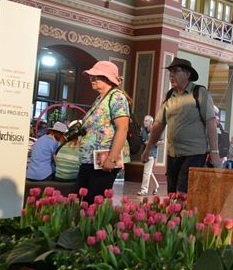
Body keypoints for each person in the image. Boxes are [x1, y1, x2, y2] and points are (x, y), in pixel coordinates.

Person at [140, 58, 221, 194]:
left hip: (194, 153)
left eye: (176, 71)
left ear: (187, 74)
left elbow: (211, 123)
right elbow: (159, 125)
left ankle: (184, 215)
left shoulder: (199, 93)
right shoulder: (169, 96)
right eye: (170, 72)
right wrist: (148, 149)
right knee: (172, 194)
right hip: (173, 153)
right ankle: (177, 215)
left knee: (182, 194)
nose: (171, 75)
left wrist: (214, 152)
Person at [76, 61, 130, 202]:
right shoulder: (100, 98)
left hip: (103, 161)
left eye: (96, 76)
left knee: (94, 203)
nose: (92, 80)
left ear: (108, 78)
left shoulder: (117, 97)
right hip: (90, 160)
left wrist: (111, 158)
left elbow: (122, 128)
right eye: (91, 76)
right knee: (84, 201)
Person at [137, 115, 161, 196]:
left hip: (151, 154)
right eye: (144, 120)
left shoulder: (155, 131)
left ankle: (144, 190)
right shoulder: (143, 131)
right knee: (149, 172)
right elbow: (144, 141)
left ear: (151, 122)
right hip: (145, 154)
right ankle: (156, 185)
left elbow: (162, 142)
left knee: (146, 173)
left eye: (146, 121)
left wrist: (152, 142)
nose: (144, 122)